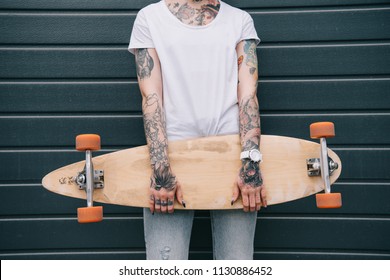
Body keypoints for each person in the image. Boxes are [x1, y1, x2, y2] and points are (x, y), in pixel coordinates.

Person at [128, 0, 266, 260]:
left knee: (237, 266)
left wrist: (250, 165)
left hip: (232, 160)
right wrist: (161, 170)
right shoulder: (149, 18)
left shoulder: (239, 21)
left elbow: (248, 95)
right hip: (171, 161)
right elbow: (151, 97)